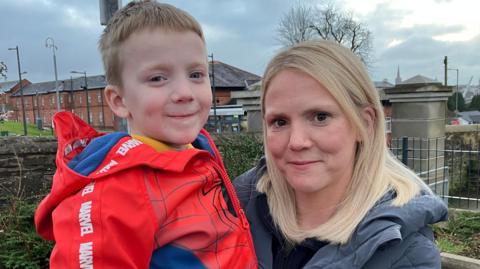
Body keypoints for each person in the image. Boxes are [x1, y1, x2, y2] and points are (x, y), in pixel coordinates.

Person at [34, 1, 257, 268]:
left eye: (196, 74)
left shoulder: (196, 148)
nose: (185, 92)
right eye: (158, 79)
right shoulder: (116, 191)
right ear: (119, 100)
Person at [234, 40, 448, 269]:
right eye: (279, 121)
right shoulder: (237, 204)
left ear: (364, 124)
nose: (296, 142)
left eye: (320, 117)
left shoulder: (407, 254)